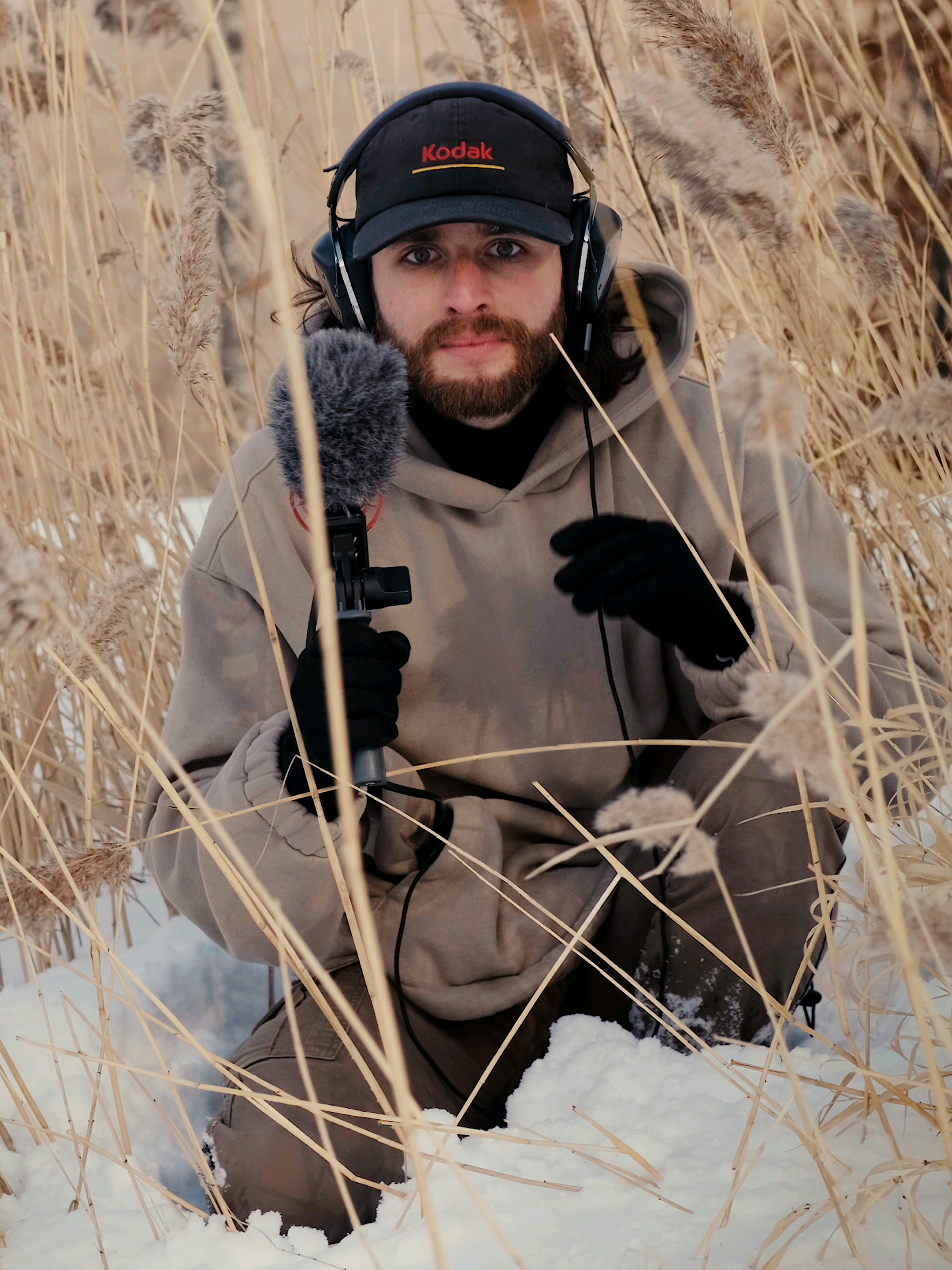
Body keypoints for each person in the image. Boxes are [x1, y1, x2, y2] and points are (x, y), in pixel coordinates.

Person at [143, 84, 943, 1240]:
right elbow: (186, 842)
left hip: (684, 931)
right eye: (421, 254)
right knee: (280, 1174)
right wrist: (300, 772)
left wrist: (737, 636)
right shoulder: (286, 495)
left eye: (505, 248)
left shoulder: (715, 449)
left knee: (772, 768)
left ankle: (721, 1121)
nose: (465, 294)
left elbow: (913, 733)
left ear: (573, 264)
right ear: (359, 278)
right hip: (426, 968)